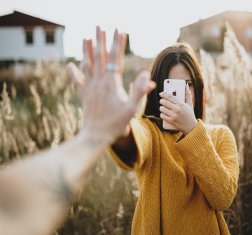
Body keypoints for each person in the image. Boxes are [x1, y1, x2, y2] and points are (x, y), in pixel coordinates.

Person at [0, 26, 155, 235]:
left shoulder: (214, 134)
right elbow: (11, 208)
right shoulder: (151, 132)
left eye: (189, 84)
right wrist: (97, 133)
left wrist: (96, 133)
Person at [104, 41, 240, 234]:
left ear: (198, 88)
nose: (181, 96)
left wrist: (192, 131)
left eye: (188, 85)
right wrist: (120, 127)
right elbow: (133, 143)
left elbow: (223, 197)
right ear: (158, 91)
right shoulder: (150, 131)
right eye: (172, 87)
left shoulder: (221, 136)